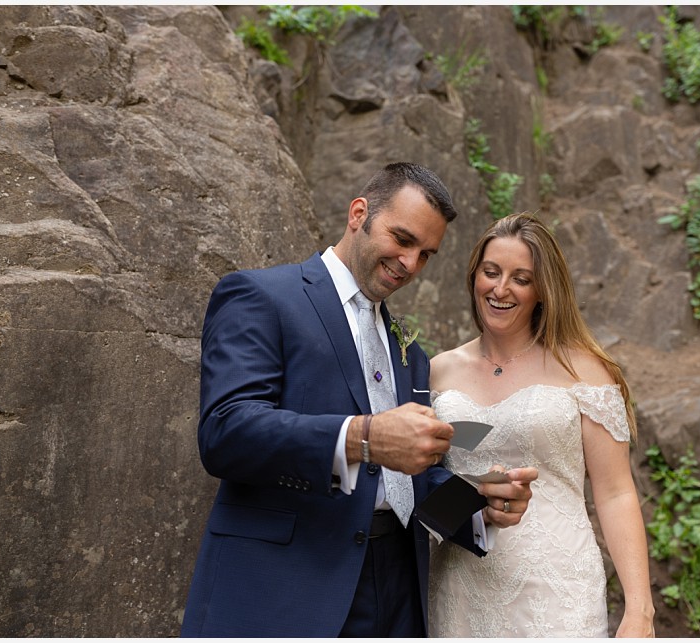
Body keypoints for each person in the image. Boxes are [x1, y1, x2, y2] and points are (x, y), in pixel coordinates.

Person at [180, 163, 537, 637]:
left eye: (426, 254)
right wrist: (360, 436)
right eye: (402, 240)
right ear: (359, 213)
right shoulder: (262, 296)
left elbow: (407, 482)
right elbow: (225, 431)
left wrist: (480, 508)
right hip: (286, 588)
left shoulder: (409, 351)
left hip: (395, 590)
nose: (410, 264)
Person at [428, 212, 656, 638]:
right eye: (491, 272)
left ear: (543, 292)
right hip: (460, 583)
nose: (500, 289)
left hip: (558, 589)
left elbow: (616, 492)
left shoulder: (584, 370)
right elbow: (423, 482)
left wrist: (639, 610)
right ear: (474, 275)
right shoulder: (437, 372)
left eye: (521, 279)